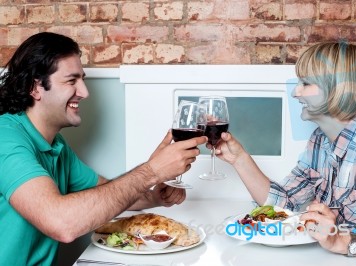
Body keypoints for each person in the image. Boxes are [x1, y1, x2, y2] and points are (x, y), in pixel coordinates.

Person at [0, 32, 207, 265]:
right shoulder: (5, 139)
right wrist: (151, 171)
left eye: (83, 80)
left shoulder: (56, 146)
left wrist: (153, 197)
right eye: (71, 81)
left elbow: (105, 192)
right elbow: (62, 224)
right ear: (34, 88)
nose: (85, 92)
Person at [215, 42, 356, 265]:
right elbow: (283, 203)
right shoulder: (319, 141)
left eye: (306, 83)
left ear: (339, 89)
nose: (295, 92)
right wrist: (239, 159)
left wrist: (340, 241)